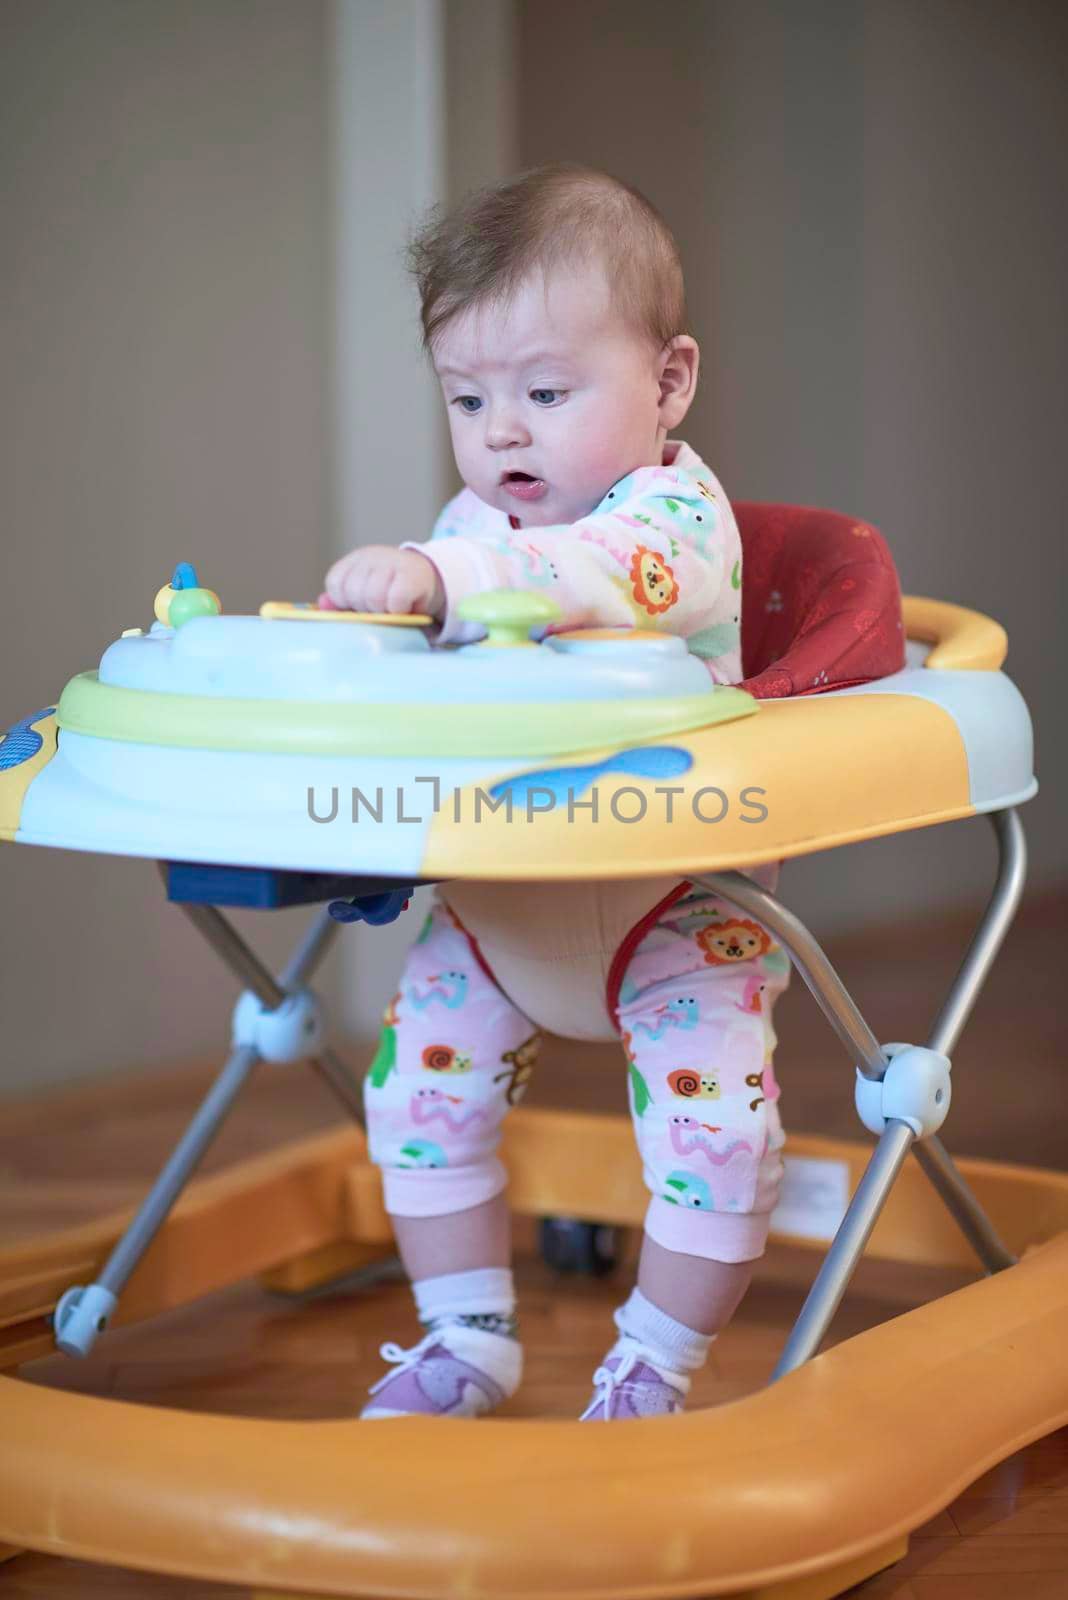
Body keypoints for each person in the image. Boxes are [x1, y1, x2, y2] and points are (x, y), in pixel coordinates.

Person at [322, 163, 789, 1422]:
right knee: (416, 1097)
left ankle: (653, 1363)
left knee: (720, 1140)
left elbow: (594, 575)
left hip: (674, 894)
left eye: (543, 390)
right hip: (504, 897)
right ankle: (464, 1339)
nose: (504, 431)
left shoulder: (676, 517)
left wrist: (445, 576)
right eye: (468, 398)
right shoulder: (470, 522)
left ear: (669, 383)